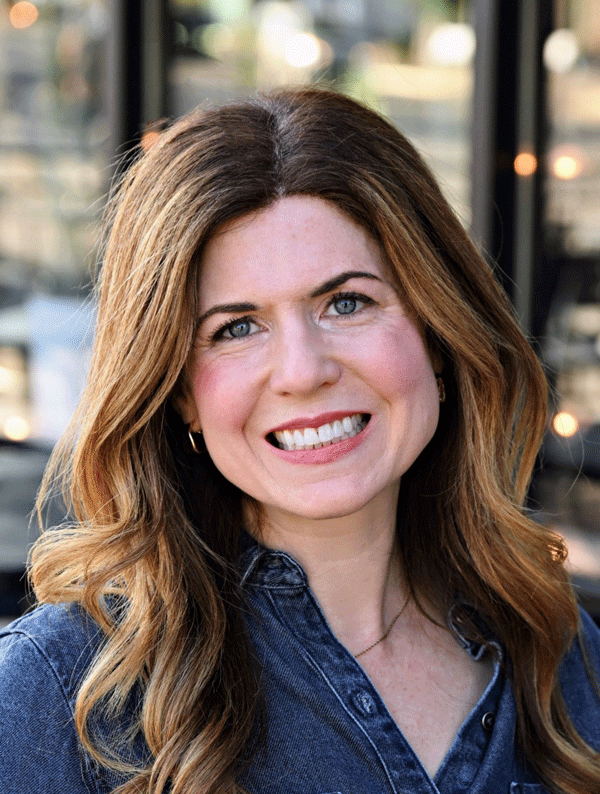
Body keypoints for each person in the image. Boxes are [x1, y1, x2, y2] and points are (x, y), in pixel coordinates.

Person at [1, 87, 599, 794]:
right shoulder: (58, 694)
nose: (303, 372)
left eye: (347, 302)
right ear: (181, 393)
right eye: (236, 327)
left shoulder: (562, 652)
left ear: (439, 334)